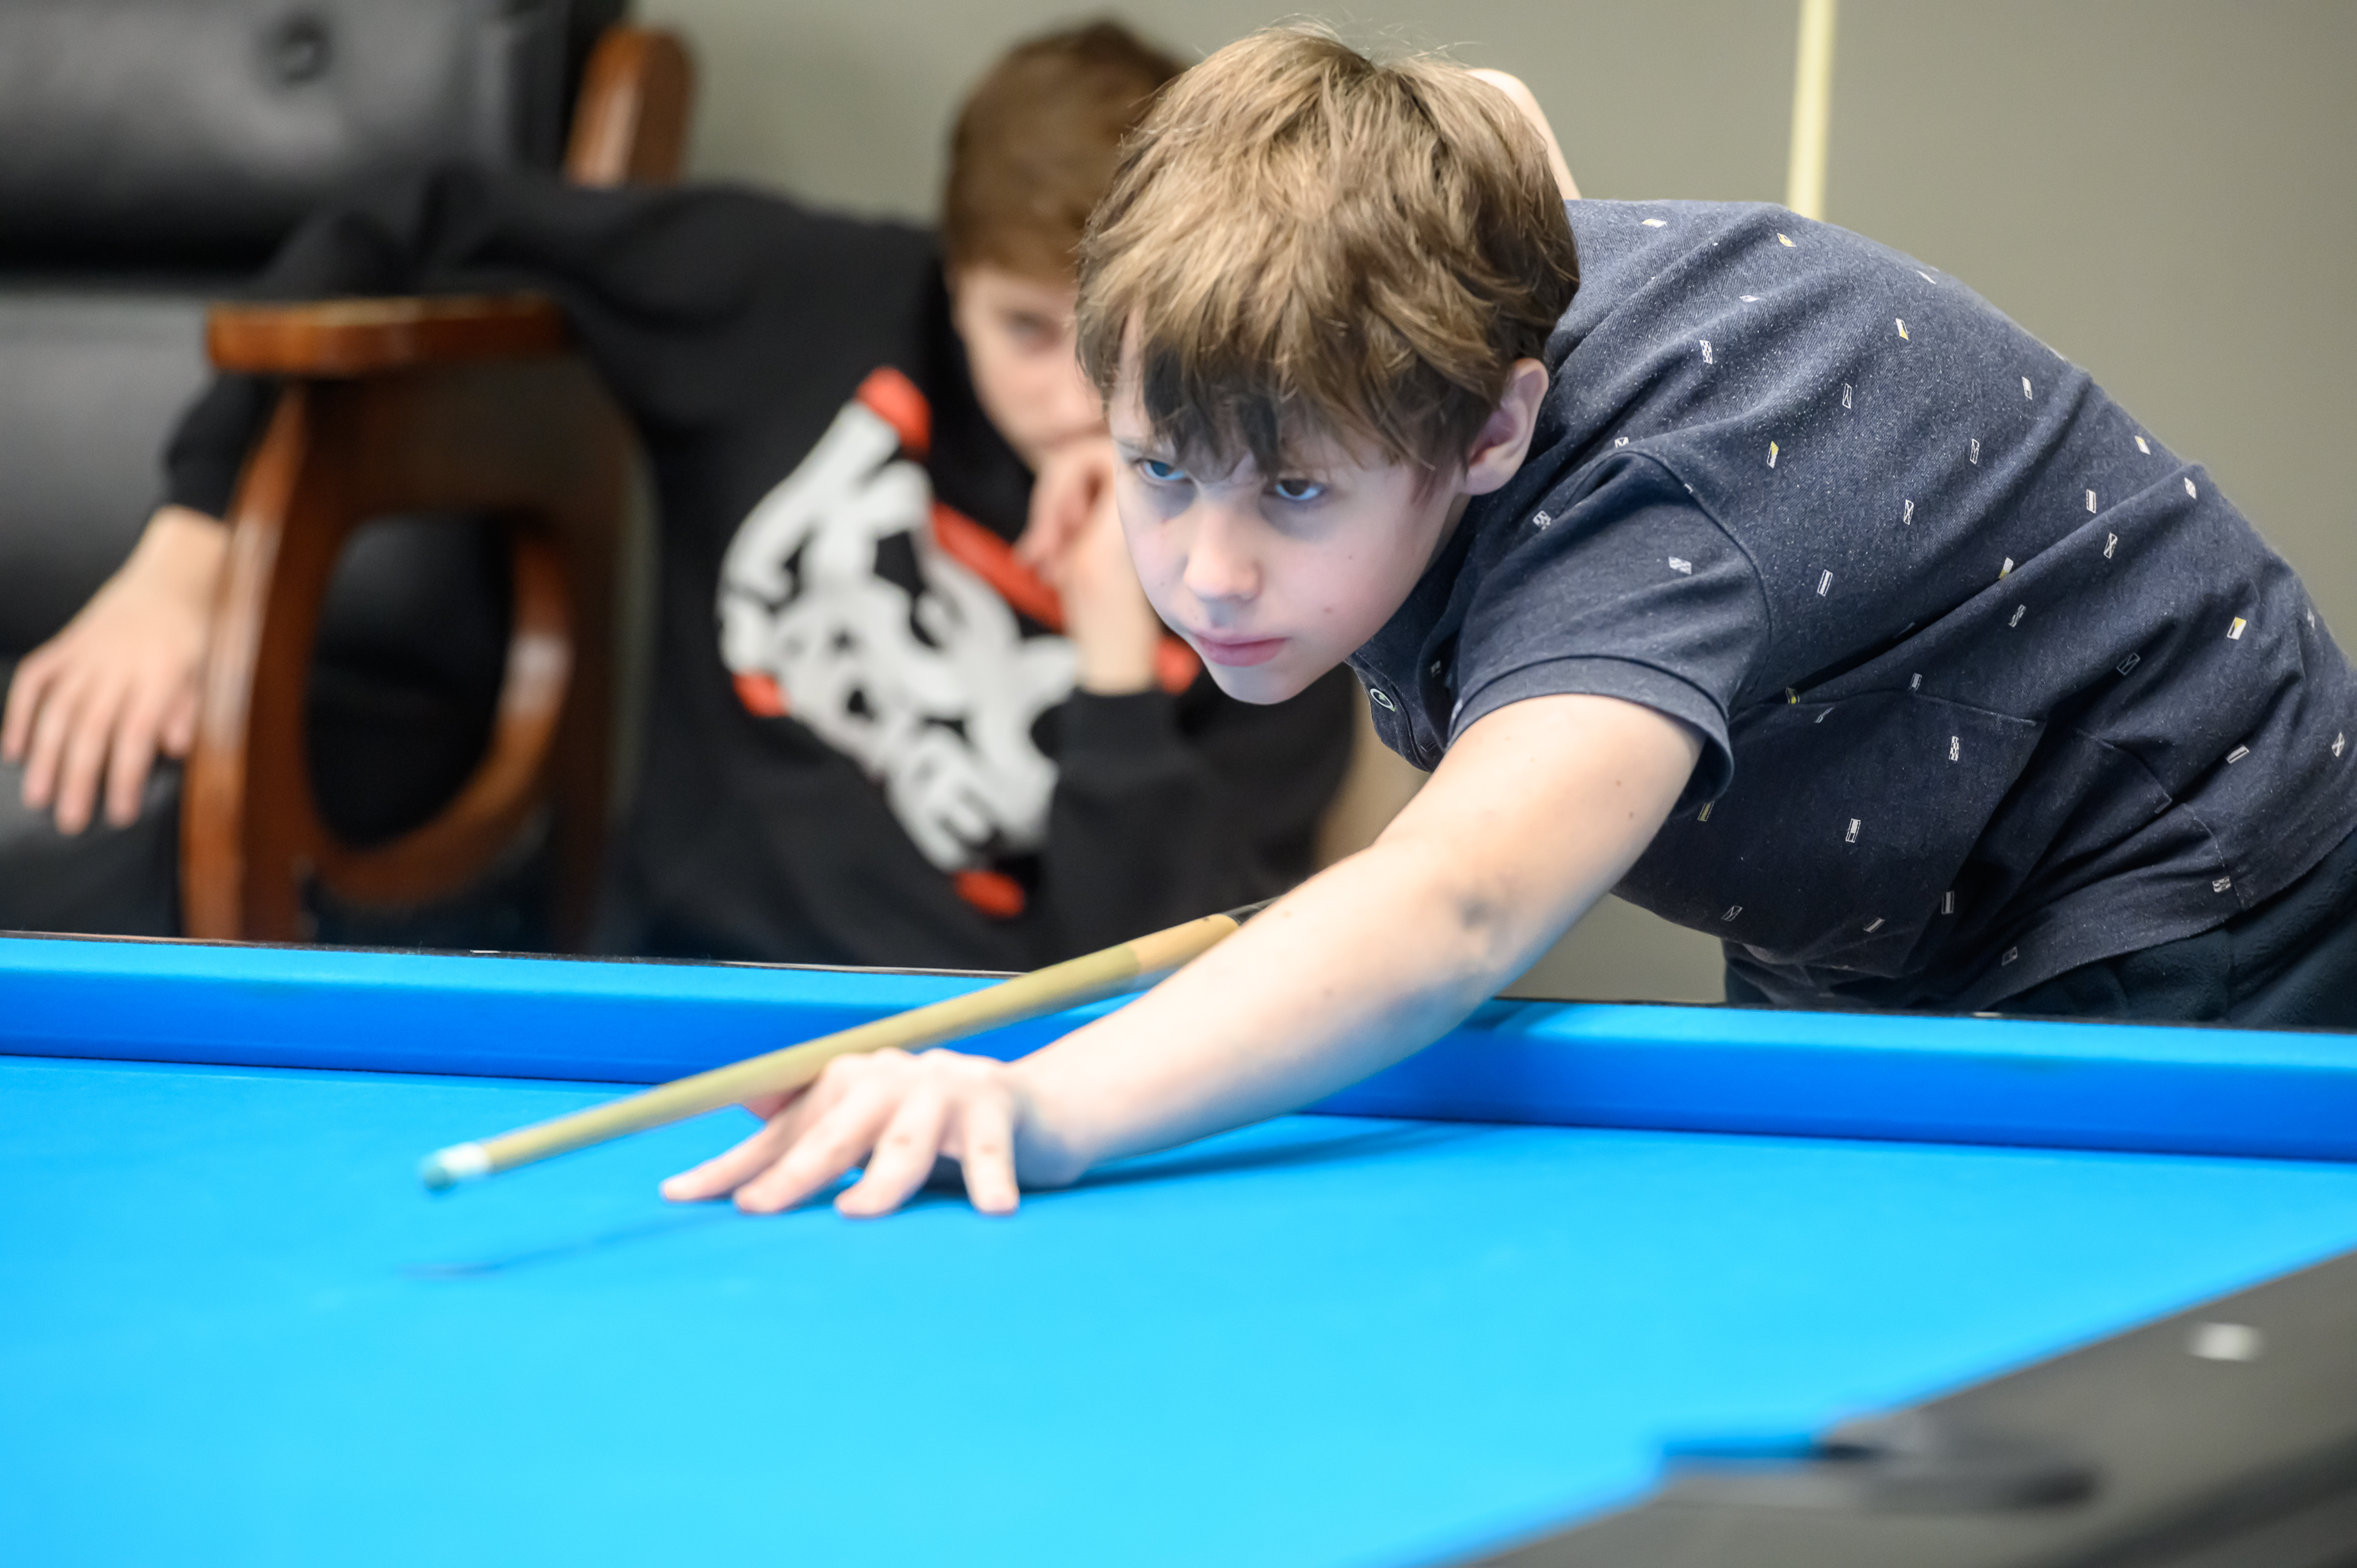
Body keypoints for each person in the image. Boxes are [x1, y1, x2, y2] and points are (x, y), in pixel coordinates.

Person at [658, 25, 2357, 1221]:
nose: (1211, 572)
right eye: (1161, 468)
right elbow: (1493, 108)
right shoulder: (1451, 258)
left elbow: (1458, 904)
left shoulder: (1646, 526)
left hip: (2167, 856)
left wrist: (1044, 1100)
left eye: (1294, 492)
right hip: (1883, 845)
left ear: (1493, 430)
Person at [0, 21, 1356, 967]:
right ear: (952, 278)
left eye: (1118, 340)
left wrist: (1118, 658)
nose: (1079, 395)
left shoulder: (1258, 563)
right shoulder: (791, 296)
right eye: (1023, 329)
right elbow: (412, 218)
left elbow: (1159, 986)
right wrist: (188, 548)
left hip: (996, 1069)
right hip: (675, 996)